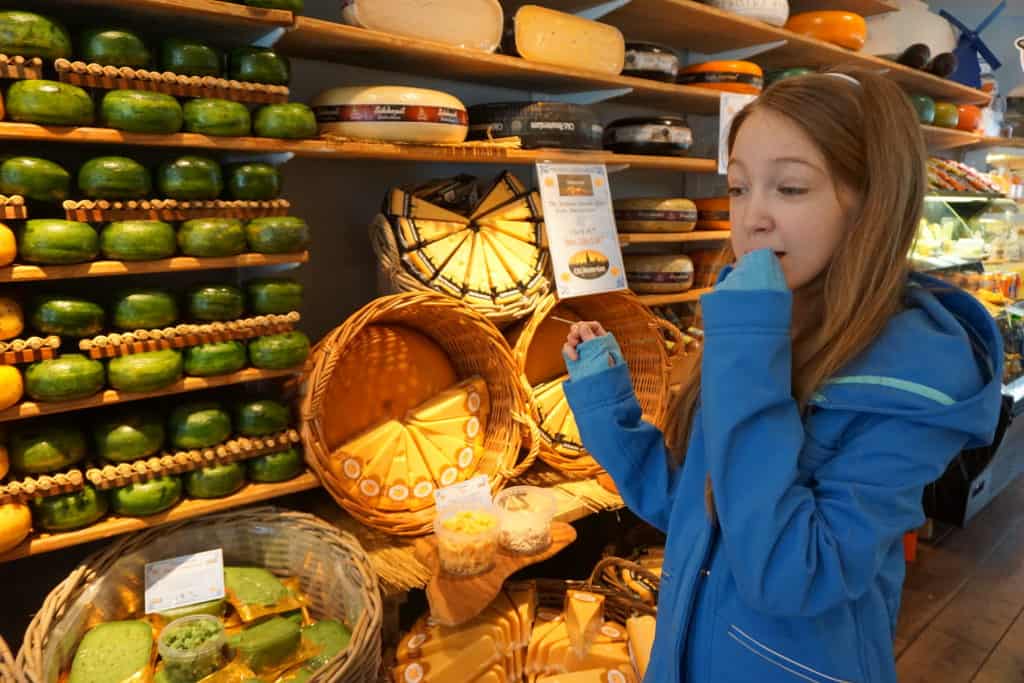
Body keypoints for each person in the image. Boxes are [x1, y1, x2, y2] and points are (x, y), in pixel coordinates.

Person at [560, 68, 1004, 683]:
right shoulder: (768, 327)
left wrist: (746, 348)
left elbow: (790, 573)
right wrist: (610, 408)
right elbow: (696, 506)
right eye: (740, 189)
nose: (753, 219)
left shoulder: (910, 382)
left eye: (790, 188)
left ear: (871, 202)